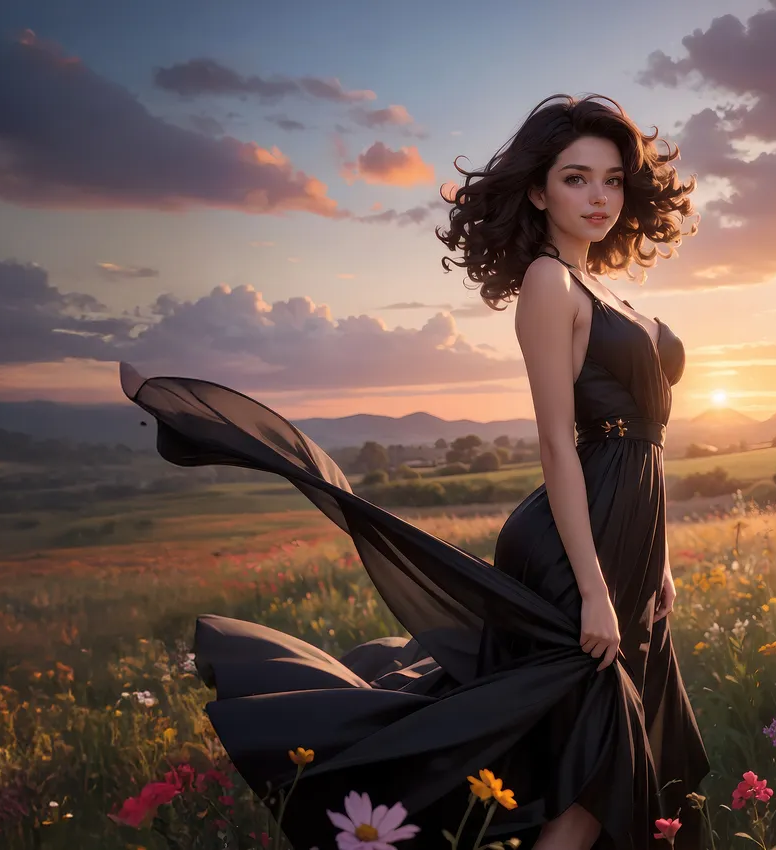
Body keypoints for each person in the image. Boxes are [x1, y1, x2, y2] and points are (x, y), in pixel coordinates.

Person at [120, 92, 708, 850]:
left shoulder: (602, 288)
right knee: (599, 769)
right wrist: (594, 589)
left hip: (629, 543)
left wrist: (658, 562)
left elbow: (645, 446)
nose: (599, 196)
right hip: (578, 548)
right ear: (538, 192)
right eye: (575, 178)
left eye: (612, 180)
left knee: (608, 760)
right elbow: (557, 443)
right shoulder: (549, 283)